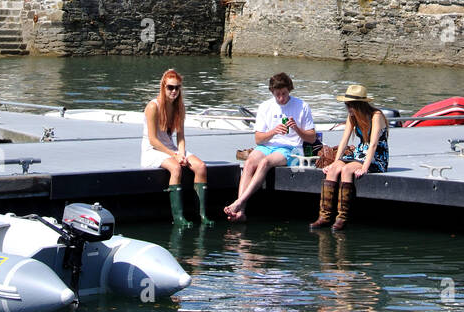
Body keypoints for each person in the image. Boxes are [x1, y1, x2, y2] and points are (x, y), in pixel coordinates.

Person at [224, 72, 314, 222]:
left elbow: (311, 138)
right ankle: (240, 213)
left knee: (265, 163)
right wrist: (273, 132)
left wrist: (297, 129)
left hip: (290, 148)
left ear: (289, 90)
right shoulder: (265, 106)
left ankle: (239, 203)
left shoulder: (302, 106)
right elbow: (258, 139)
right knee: (249, 163)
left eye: (284, 94)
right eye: (277, 94)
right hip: (268, 146)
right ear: (272, 92)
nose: (281, 98)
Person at [310, 83, 389, 231]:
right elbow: (344, 141)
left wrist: (365, 167)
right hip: (359, 152)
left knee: (347, 170)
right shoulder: (352, 117)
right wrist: (334, 162)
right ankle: (325, 216)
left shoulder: (376, 116)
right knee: (334, 169)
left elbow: (373, 145)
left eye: (350, 105)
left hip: (376, 155)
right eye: (346, 105)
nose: (348, 108)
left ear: (359, 105)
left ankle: (342, 217)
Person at [141, 68, 213, 227]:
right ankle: (179, 217)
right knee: (176, 169)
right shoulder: (153, 107)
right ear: (163, 87)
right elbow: (153, 140)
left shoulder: (179, 107)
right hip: (153, 150)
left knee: (201, 167)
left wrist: (181, 153)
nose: (174, 91)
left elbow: (180, 136)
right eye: (170, 87)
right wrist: (175, 156)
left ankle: (202, 215)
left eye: (177, 88)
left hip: (171, 147)